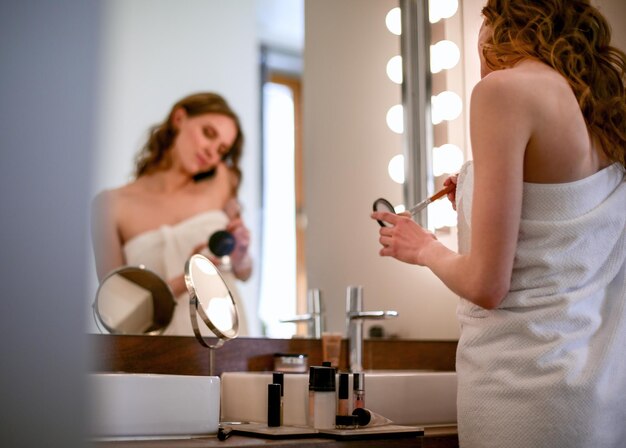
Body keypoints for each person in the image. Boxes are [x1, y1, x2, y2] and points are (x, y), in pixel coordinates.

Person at [372, 1, 626, 447]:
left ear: (497, 24)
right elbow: (559, 234)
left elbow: (488, 284)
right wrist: (476, 196)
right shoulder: (600, 115)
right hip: (598, 399)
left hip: (522, 390)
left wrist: (422, 246)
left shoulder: (503, 91)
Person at [92, 92, 252, 336]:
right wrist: (186, 280)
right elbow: (115, 313)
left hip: (225, 341)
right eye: (208, 133)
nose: (212, 154)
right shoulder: (110, 206)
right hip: (157, 354)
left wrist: (240, 256)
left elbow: (244, 271)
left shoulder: (223, 180)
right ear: (179, 118)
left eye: (222, 149)